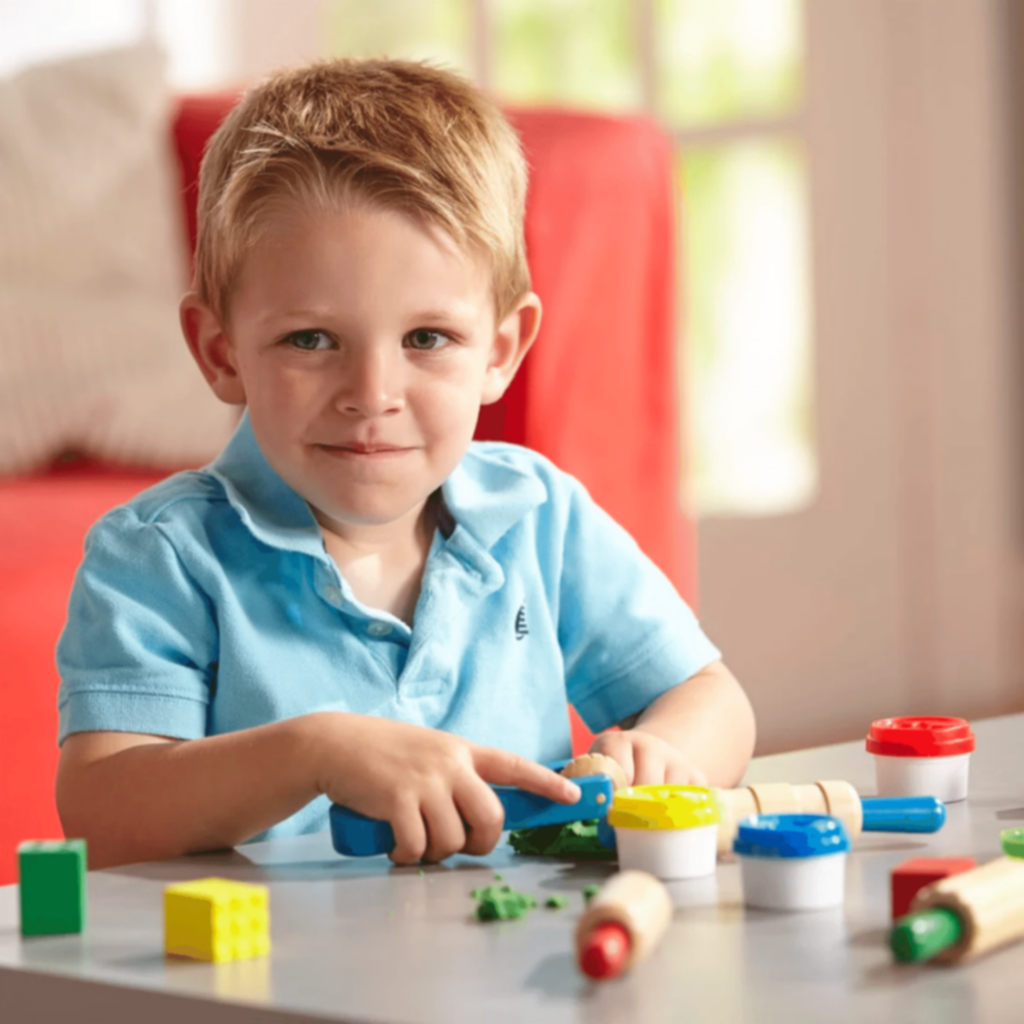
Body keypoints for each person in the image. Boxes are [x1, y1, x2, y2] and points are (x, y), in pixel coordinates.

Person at [54, 58, 756, 871]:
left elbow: (711, 700)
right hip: (272, 954)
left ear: (500, 351)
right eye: (311, 339)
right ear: (221, 351)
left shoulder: (538, 517)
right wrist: (314, 751)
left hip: (517, 947)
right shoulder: (160, 557)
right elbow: (103, 812)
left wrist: (664, 756)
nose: (371, 394)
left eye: (427, 338)